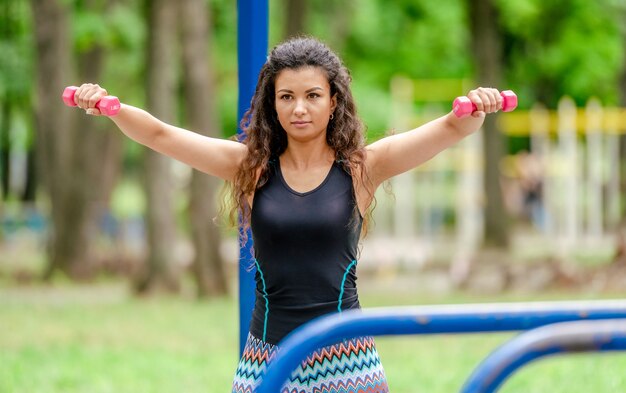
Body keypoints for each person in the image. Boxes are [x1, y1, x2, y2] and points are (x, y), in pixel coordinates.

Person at [71, 36, 504, 393]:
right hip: (267, 356)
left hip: (346, 357)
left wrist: (476, 108)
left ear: (334, 101)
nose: (299, 108)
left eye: (313, 95)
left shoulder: (361, 168)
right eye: (287, 97)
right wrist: (111, 107)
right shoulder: (250, 167)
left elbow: (451, 127)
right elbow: (161, 134)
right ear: (272, 105)